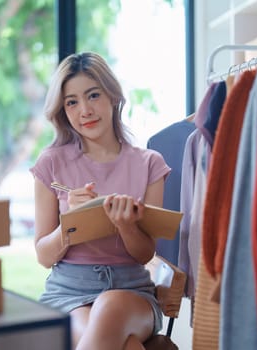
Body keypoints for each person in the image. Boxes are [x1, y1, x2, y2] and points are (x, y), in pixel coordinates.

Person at [29, 52, 171, 350]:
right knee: (128, 346)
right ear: (62, 109)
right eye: (72, 102)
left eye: (93, 95)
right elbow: (43, 257)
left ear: (113, 96)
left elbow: (145, 254)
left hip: (132, 291)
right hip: (67, 293)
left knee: (109, 307)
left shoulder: (149, 164)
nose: (85, 110)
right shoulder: (51, 164)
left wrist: (127, 226)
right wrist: (71, 222)